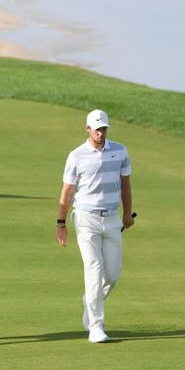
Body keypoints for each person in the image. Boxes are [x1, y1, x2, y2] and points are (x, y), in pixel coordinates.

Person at [56, 109, 134, 343]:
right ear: (87, 129)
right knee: (94, 269)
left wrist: (127, 214)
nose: (100, 133)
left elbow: (126, 185)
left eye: (104, 129)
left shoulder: (120, 151)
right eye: (97, 129)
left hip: (112, 219)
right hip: (85, 218)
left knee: (112, 275)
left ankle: (90, 301)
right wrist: (61, 223)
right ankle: (96, 326)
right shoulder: (76, 156)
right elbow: (67, 191)